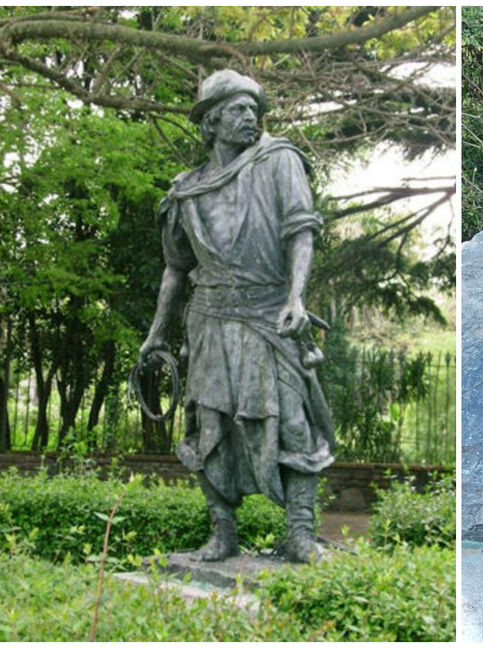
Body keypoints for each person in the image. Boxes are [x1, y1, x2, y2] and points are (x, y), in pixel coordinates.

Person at [139, 69, 334, 562]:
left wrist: (296, 297)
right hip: (208, 321)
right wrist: (157, 334)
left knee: (294, 421)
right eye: (238, 109)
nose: (251, 117)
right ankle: (222, 531)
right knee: (211, 429)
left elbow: (301, 231)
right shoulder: (187, 190)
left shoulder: (279, 160)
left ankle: (300, 532)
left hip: (270, 315)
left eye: (254, 109)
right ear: (210, 123)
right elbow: (175, 270)